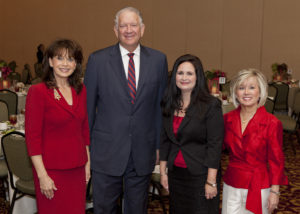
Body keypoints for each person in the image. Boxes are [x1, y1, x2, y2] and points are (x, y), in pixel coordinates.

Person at [84, 6, 168, 214]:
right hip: (105, 151)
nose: (128, 30)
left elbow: (161, 108)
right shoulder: (97, 60)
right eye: (123, 26)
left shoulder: (158, 61)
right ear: (115, 30)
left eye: (133, 25)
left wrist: (159, 146)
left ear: (142, 29)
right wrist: (86, 148)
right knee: (103, 209)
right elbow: (87, 109)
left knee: (137, 209)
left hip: (142, 150)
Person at [25, 39, 90, 214]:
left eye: (71, 59)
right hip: (51, 171)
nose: (65, 64)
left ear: (76, 64)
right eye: (60, 58)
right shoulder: (38, 91)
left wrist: (87, 164)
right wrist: (42, 176)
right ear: (51, 61)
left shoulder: (81, 90)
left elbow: (84, 130)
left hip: (77, 169)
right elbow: (32, 137)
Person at [160, 54, 224, 214]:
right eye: (180, 73)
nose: (184, 77)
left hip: (200, 175)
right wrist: (163, 173)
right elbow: (165, 141)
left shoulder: (210, 105)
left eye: (189, 73)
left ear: (198, 77)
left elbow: (214, 146)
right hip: (176, 174)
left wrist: (211, 181)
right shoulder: (169, 104)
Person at [222, 69, 288, 214]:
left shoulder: (272, 123)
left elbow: (276, 160)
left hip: (259, 185)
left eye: (252, 87)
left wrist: (275, 192)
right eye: (241, 88)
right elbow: (215, 148)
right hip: (232, 182)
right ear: (235, 93)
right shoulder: (227, 119)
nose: (246, 92)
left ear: (260, 92)